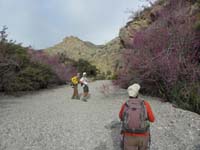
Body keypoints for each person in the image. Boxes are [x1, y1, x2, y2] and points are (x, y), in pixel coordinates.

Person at [119, 83, 155, 150]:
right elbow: (152, 119)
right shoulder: (145, 104)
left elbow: (121, 117)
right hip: (143, 136)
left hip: (128, 136)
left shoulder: (125, 104)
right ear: (137, 93)